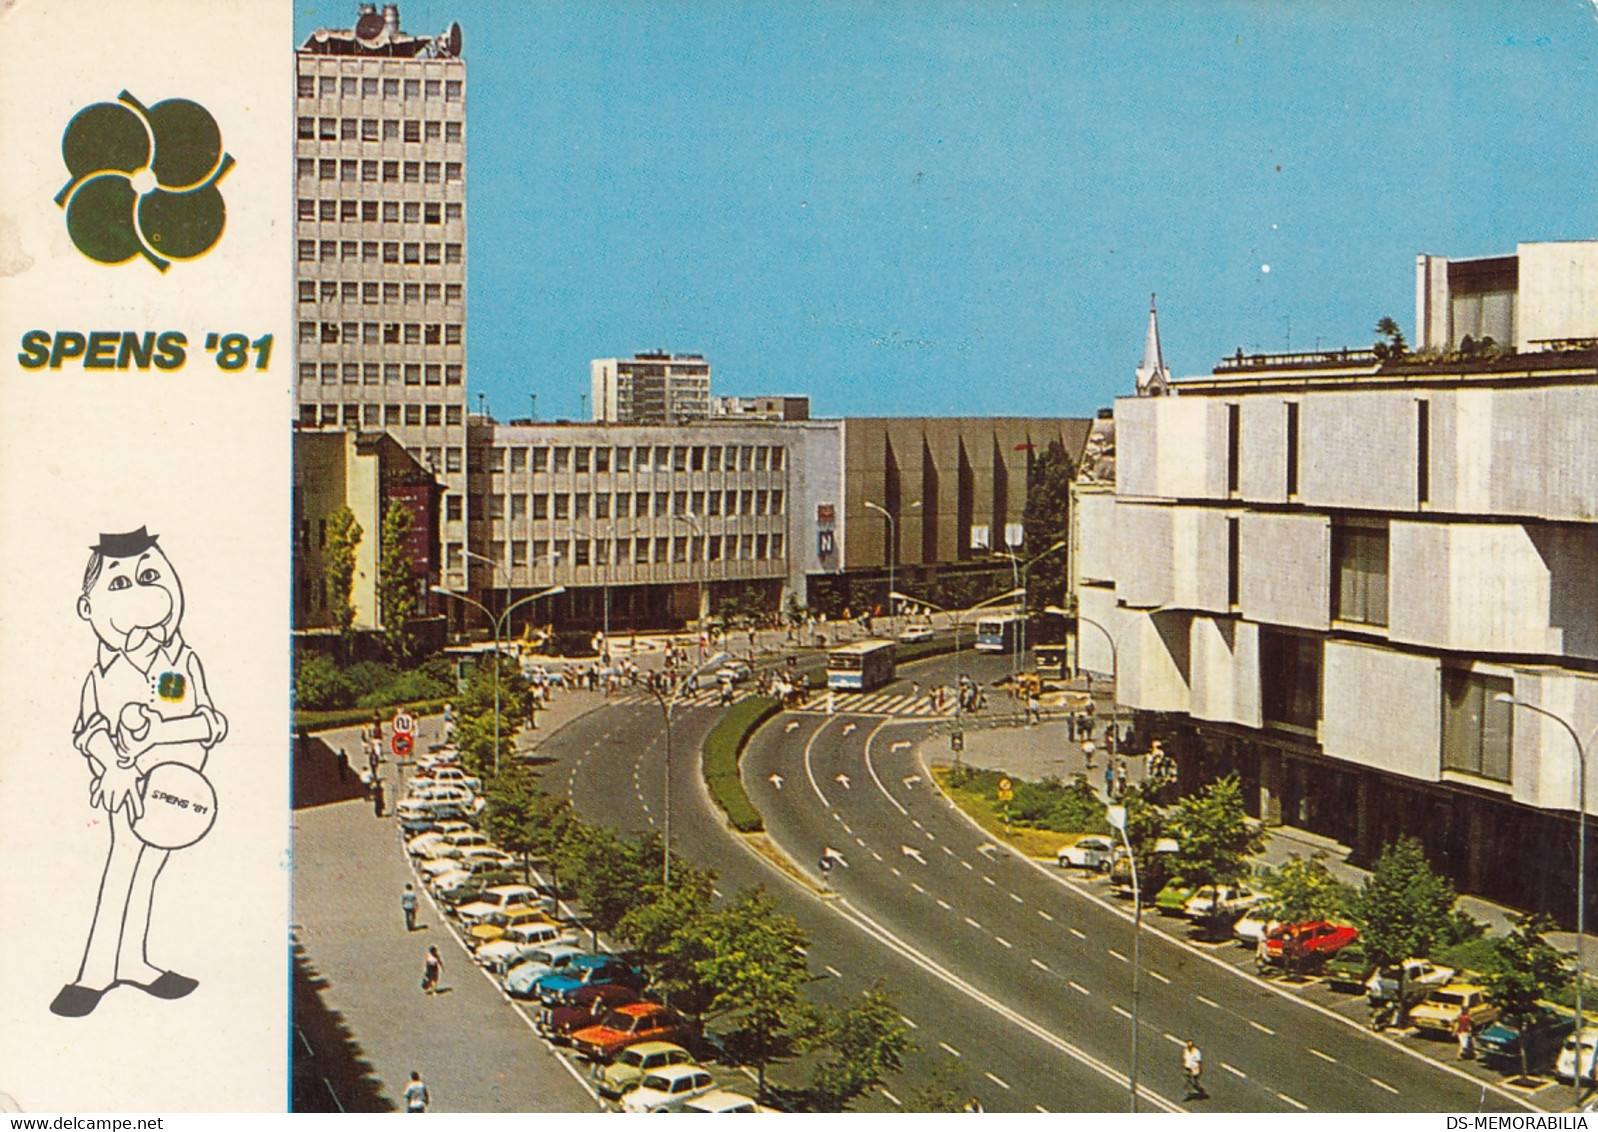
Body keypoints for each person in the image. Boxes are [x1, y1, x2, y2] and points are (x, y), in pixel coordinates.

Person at [51, 528, 228, 1019]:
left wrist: (156, 734)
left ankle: (130, 960)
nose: (142, 592)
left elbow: (211, 722)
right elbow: (87, 730)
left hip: (180, 790)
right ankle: (93, 974)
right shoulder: (101, 674)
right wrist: (113, 765)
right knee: (124, 863)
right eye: (120, 583)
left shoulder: (181, 661)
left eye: (149, 575)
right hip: (131, 791)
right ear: (88, 608)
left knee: (148, 869)